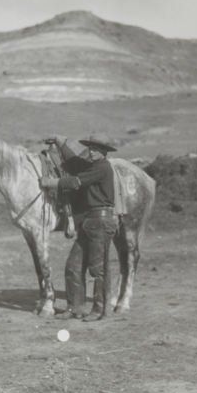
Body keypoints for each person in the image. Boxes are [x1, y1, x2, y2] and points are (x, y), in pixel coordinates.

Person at [39, 133, 118, 321]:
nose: (91, 152)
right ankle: (76, 308)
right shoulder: (94, 166)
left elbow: (75, 181)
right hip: (90, 222)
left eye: (95, 149)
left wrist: (50, 183)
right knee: (73, 266)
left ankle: (99, 310)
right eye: (90, 148)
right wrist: (61, 143)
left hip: (100, 222)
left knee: (97, 269)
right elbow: (74, 163)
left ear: (104, 152)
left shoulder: (102, 168)